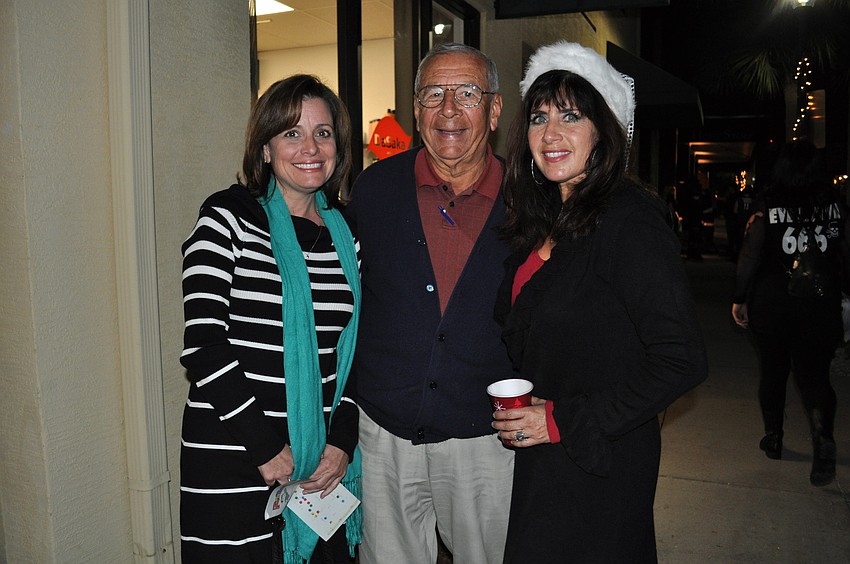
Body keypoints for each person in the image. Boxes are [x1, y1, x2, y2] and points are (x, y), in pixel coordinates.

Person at [491, 41, 708, 563]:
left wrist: (561, 420)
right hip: (547, 458)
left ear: (602, 130)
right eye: (539, 118)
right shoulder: (543, 219)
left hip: (601, 459)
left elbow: (681, 358)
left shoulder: (630, 222)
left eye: (572, 115)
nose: (552, 134)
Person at [179, 74, 361, 563]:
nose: (310, 147)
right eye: (291, 133)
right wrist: (267, 449)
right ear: (264, 149)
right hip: (236, 456)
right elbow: (203, 344)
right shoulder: (227, 217)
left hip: (319, 467)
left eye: (323, 133)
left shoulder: (349, 235)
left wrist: (342, 442)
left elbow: (350, 355)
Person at [345, 43, 515, 564]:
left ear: (494, 108)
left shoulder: (531, 203)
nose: (449, 109)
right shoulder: (372, 191)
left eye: (467, 93)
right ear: (415, 109)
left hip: (484, 437)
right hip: (382, 438)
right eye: (433, 94)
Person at [732, 140, 850, 486]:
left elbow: (750, 256)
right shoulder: (836, 207)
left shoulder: (767, 208)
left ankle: (774, 436)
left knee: (773, 372)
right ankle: (822, 434)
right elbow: (846, 254)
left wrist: (740, 298)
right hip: (820, 305)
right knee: (815, 376)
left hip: (774, 305)